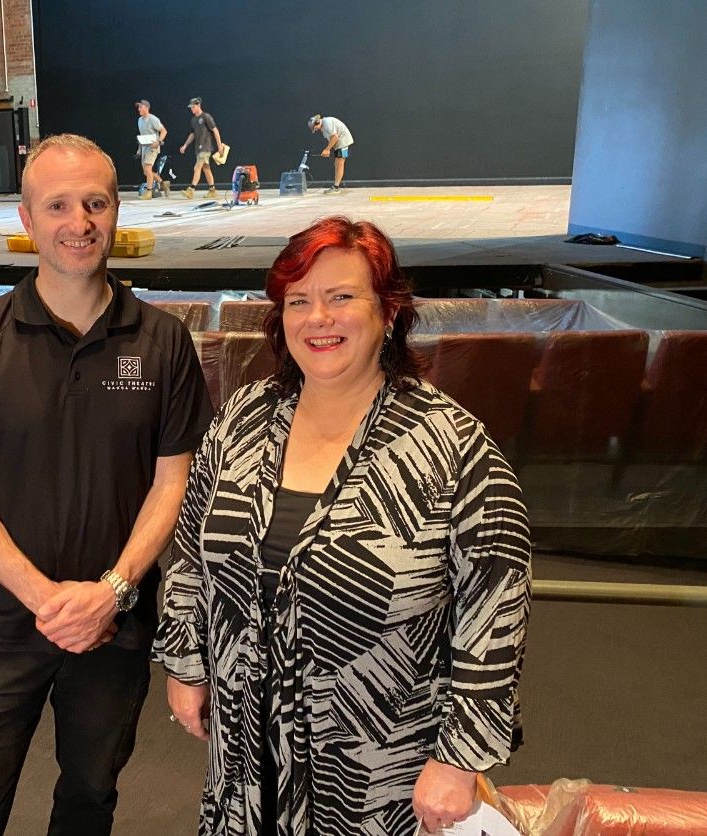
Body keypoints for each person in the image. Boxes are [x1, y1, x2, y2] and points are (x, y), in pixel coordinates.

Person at [155, 215, 531, 835]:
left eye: (341, 297)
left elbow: (496, 613)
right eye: (298, 301)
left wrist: (460, 760)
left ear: (387, 312)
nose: (317, 318)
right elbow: (194, 557)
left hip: (380, 774)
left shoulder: (451, 446)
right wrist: (185, 663)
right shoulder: (244, 420)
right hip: (244, 758)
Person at [0, 133, 214, 835]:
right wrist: (47, 598)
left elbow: (174, 480)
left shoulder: (162, 342)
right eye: (57, 205)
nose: (78, 222)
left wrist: (110, 591)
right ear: (26, 220)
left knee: (88, 802)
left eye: (95, 203)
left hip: (117, 630)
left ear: (115, 212)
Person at [179, 97, 224, 200]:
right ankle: (212, 190)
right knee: (206, 168)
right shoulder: (193, 120)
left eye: (193, 107)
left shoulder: (206, 117)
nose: (192, 109)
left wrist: (219, 145)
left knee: (197, 167)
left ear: (198, 105)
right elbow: (192, 134)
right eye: (191, 107)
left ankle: (191, 190)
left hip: (206, 147)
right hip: (198, 148)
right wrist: (185, 145)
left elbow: (215, 131)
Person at [308, 114, 354, 194]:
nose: (315, 130)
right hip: (339, 144)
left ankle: (336, 188)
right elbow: (331, 139)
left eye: (315, 128)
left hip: (343, 142)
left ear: (317, 123)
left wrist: (327, 149)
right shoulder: (323, 127)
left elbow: (335, 137)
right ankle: (336, 187)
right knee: (337, 164)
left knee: (339, 164)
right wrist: (329, 149)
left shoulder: (327, 122)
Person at [136, 99, 168, 199]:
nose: (139, 109)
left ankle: (149, 192)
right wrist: (139, 148)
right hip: (144, 147)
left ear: (146, 108)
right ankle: (163, 183)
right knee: (146, 171)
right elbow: (142, 135)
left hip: (153, 147)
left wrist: (158, 142)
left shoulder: (153, 119)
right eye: (139, 107)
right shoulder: (140, 120)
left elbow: (164, 131)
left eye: (141, 107)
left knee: (148, 168)